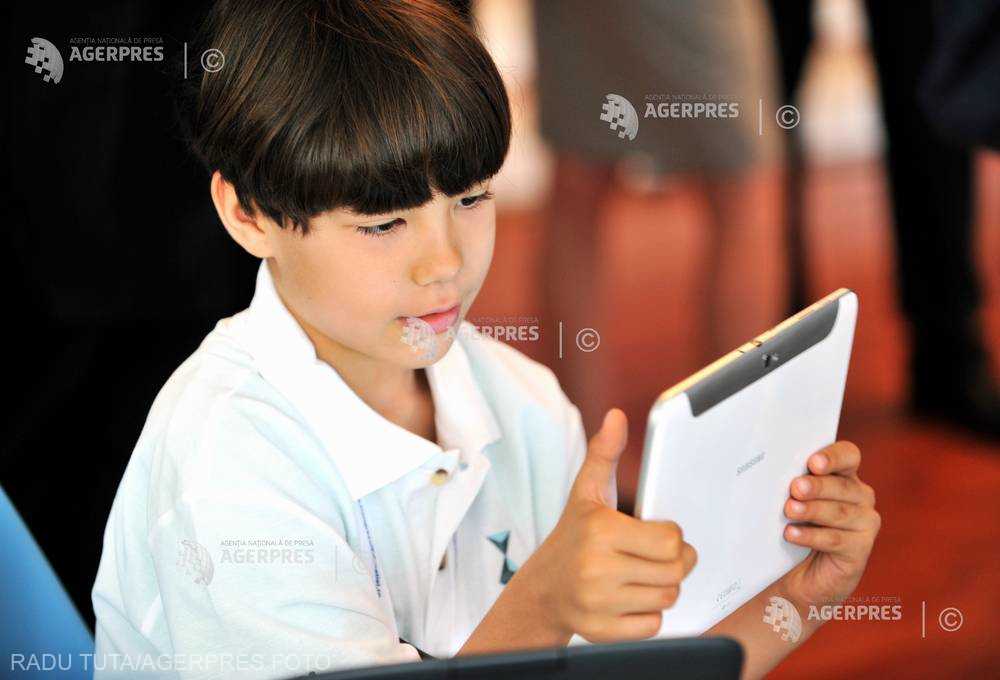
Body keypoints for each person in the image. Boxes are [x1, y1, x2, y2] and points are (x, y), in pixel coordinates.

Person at [91, 1, 881, 678]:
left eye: (471, 198)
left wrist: (799, 598)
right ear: (248, 213)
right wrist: (544, 603)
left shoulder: (524, 403)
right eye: (384, 223)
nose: (445, 263)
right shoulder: (227, 468)